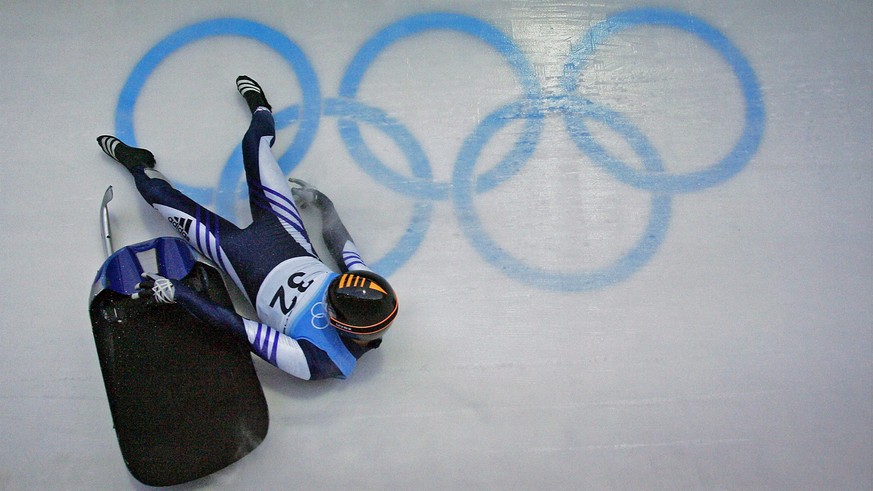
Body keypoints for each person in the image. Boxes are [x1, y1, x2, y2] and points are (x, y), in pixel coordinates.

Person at [96, 76, 398, 380]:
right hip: (283, 231)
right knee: (254, 147)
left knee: (158, 196)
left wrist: (178, 293)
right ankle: (261, 110)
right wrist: (322, 204)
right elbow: (342, 244)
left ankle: (137, 164)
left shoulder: (321, 362)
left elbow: (239, 327)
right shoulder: (364, 285)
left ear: (338, 322)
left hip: (237, 256)